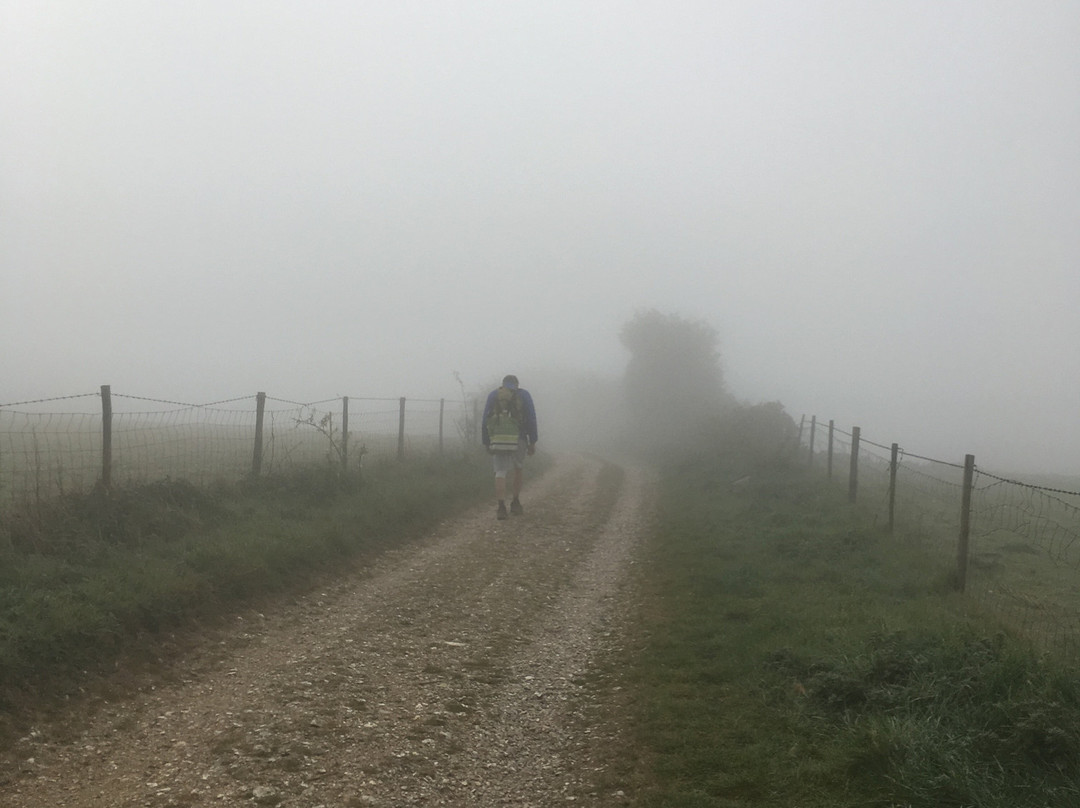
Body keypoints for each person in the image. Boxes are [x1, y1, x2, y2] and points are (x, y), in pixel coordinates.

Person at [481, 374, 538, 520]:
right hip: (519, 438)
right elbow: (531, 417)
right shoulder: (524, 395)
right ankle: (515, 502)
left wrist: (486, 441)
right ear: (517, 384)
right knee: (518, 468)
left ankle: (501, 507)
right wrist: (532, 441)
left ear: (503, 384)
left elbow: (485, 419)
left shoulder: (494, 395)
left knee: (500, 471)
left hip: (498, 439)